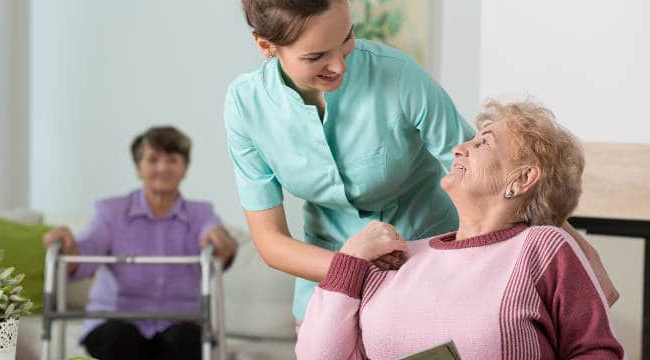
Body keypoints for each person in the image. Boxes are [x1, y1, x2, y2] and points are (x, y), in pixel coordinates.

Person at [224, 0, 617, 323]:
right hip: (330, 276)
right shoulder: (246, 108)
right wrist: (354, 266)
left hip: (432, 265)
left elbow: (490, 175)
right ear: (266, 46)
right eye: (316, 56)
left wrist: (577, 250)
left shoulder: (397, 76)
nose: (340, 64)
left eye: (346, 39)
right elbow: (271, 242)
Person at [295, 100, 624, 359]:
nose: (459, 149)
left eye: (483, 143)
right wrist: (350, 259)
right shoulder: (397, 259)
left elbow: (596, 352)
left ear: (522, 179)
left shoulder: (542, 248)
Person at [42, 126, 237, 360]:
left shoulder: (201, 213)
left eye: (172, 160)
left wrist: (221, 241)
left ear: (184, 169)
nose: (162, 168)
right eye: (153, 160)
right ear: (138, 169)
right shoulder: (110, 212)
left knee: (185, 339)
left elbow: (216, 238)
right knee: (120, 338)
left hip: (180, 324)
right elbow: (85, 250)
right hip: (116, 322)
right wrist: (69, 247)